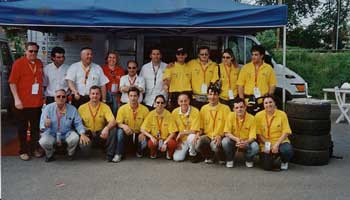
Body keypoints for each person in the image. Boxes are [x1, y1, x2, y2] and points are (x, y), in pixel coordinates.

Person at [9, 42, 44, 160]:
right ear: (25, 51)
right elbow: (12, 82)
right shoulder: (18, 64)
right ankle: (23, 151)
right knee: (22, 128)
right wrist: (16, 99)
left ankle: (34, 149)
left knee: (35, 128)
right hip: (22, 104)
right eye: (30, 51)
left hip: (36, 103)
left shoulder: (39, 63)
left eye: (35, 51)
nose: (33, 53)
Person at [39, 89, 85, 162]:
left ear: (66, 98)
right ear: (54, 98)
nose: (61, 98)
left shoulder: (72, 109)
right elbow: (42, 126)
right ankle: (50, 154)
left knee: (75, 138)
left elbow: (78, 123)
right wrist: (45, 125)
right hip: (52, 133)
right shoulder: (47, 108)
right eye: (58, 96)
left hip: (66, 133)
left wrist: (82, 133)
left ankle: (70, 153)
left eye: (63, 96)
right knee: (43, 141)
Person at [78, 86, 117, 162]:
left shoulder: (105, 107)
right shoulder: (82, 108)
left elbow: (113, 121)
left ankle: (109, 154)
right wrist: (82, 133)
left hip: (101, 133)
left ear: (100, 95)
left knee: (113, 130)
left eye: (97, 94)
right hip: (88, 133)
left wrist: (106, 128)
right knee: (85, 152)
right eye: (93, 94)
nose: (95, 96)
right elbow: (77, 123)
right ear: (89, 95)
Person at [193, 82, 230, 164]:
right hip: (208, 136)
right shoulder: (203, 108)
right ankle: (209, 156)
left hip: (220, 136)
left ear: (218, 96)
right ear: (207, 95)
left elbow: (228, 127)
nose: (212, 97)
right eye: (210, 94)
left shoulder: (225, 109)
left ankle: (222, 156)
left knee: (216, 146)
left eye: (215, 94)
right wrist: (197, 135)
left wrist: (220, 136)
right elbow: (201, 127)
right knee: (197, 143)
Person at [255, 95, 293, 170]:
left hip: (280, 142)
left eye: (270, 102)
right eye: (266, 103)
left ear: (275, 103)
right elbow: (258, 134)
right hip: (266, 143)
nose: (268, 105)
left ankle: (284, 161)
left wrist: (276, 145)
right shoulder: (258, 116)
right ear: (263, 105)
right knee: (267, 166)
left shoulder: (282, 114)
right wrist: (268, 145)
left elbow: (286, 132)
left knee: (287, 150)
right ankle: (273, 157)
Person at [237, 45, 277, 115]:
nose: (253, 57)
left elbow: (272, 84)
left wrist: (268, 99)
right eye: (252, 54)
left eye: (256, 55)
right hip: (248, 101)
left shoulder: (268, 68)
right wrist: (242, 100)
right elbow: (240, 85)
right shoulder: (245, 68)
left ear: (261, 56)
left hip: (262, 101)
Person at [114, 87, 149, 162]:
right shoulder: (122, 109)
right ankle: (118, 154)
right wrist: (124, 126)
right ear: (128, 96)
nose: (133, 98)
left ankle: (139, 151)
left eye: (135, 96)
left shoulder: (145, 109)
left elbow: (147, 125)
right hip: (128, 133)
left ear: (139, 97)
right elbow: (118, 123)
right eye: (131, 96)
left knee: (144, 142)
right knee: (120, 132)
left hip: (139, 134)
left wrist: (143, 133)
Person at [222, 98, 259, 168]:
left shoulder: (252, 118)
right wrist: (236, 139)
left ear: (245, 107)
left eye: (241, 107)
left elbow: (253, 137)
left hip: (246, 142)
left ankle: (248, 159)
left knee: (255, 146)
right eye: (237, 107)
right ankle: (230, 159)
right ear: (234, 109)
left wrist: (245, 142)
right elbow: (226, 132)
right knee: (225, 141)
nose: (239, 109)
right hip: (234, 140)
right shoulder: (230, 116)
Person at [140, 95, 178, 159]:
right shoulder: (151, 114)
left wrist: (165, 142)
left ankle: (169, 154)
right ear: (154, 103)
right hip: (155, 139)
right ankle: (153, 152)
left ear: (165, 104)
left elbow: (173, 133)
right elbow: (142, 129)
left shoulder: (168, 114)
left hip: (166, 139)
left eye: (162, 103)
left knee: (172, 143)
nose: (160, 104)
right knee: (151, 143)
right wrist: (151, 137)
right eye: (158, 102)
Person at [172, 93, 200, 162]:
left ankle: (193, 153)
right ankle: (187, 151)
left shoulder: (195, 111)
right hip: (182, 140)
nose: (183, 103)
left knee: (192, 137)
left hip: (191, 137)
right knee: (177, 158)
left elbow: (195, 130)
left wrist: (182, 133)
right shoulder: (174, 112)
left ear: (189, 101)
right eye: (181, 101)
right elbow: (173, 130)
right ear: (178, 102)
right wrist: (177, 142)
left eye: (185, 101)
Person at [102, 51, 125, 116]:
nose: (112, 59)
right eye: (110, 57)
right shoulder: (102, 69)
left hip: (117, 96)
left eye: (114, 58)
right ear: (107, 59)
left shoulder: (121, 70)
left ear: (117, 59)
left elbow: (123, 84)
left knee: (116, 115)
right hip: (105, 96)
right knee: (106, 115)